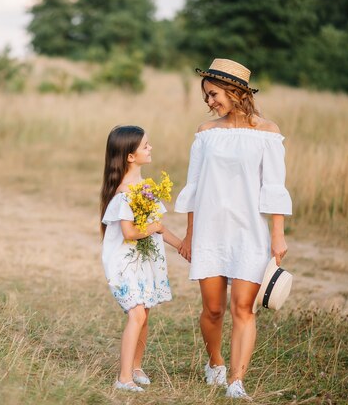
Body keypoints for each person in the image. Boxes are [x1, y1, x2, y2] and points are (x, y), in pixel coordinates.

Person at [175, 59, 292, 400]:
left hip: (249, 233)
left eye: (213, 94)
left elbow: (274, 187)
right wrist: (189, 234)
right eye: (207, 97)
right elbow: (194, 187)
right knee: (213, 309)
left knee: (244, 308)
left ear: (235, 91)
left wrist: (277, 234)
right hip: (210, 230)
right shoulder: (205, 133)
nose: (210, 103)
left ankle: (236, 382)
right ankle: (215, 363)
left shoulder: (268, 132)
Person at [100, 125, 182, 392]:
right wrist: (154, 229)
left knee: (144, 313)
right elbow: (129, 232)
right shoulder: (125, 192)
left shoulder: (144, 187)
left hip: (144, 260)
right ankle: (123, 378)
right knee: (136, 314)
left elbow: (157, 224)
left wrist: (181, 246)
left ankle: (136, 366)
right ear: (130, 156)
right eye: (145, 145)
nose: (150, 148)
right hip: (125, 261)